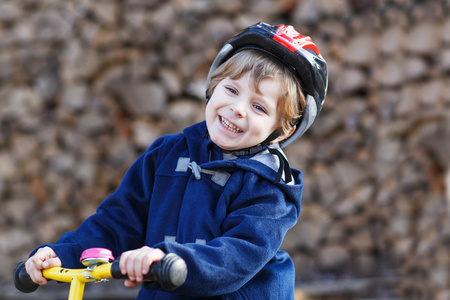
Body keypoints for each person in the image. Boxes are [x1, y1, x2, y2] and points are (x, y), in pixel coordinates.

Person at [24, 22, 327, 299]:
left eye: (259, 107)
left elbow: (238, 254)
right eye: (232, 90)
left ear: (283, 129)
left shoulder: (269, 185)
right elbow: (118, 221)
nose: (238, 109)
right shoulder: (166, 155)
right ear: (213, 87)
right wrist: (62, 254)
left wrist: (172, 260)